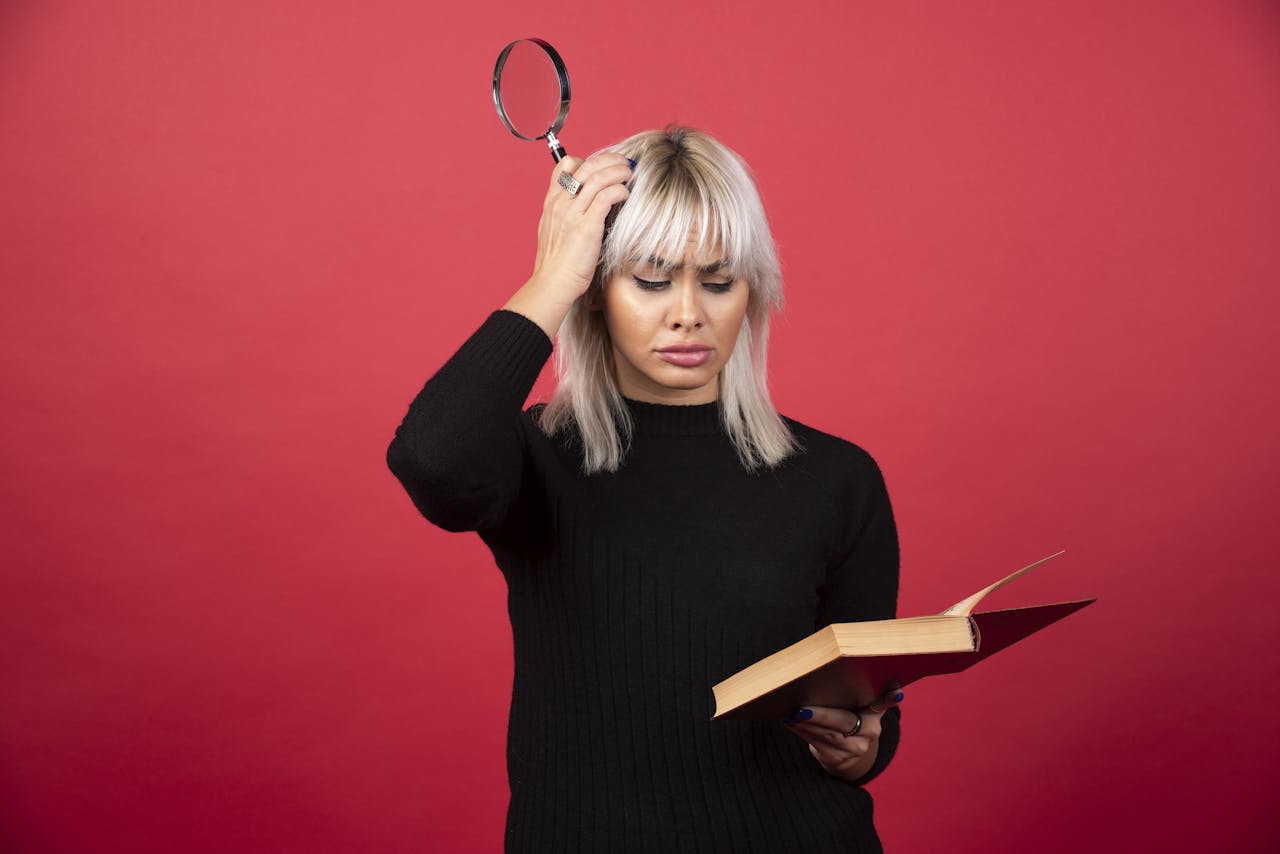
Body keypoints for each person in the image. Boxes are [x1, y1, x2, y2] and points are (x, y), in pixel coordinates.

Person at [387, 125, 903, 853]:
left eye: (719, 282)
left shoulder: (839, 478)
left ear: (753, 290)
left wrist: (863, 747)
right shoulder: (536, 459)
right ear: (598, 289)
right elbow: (433, 462)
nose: (688, 312)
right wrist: (552, 280)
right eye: (652, 279)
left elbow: (867, 720)